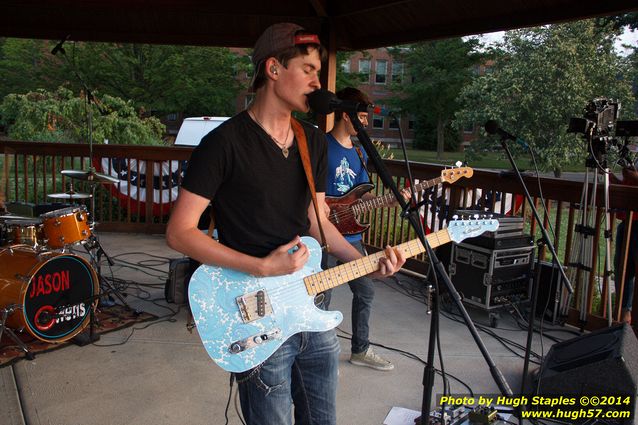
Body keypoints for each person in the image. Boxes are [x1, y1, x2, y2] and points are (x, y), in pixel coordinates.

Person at [165, 23, 405, 425]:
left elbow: (318, 222)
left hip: (311, 304)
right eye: (308, 69)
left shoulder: (312, 142)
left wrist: (366, 259)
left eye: (318, 71)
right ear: (274, 69)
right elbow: (180, 232)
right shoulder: (222, 144)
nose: (316, 80)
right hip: (255, 312)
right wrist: (262, 266)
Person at [322, 87, 394, 371]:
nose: (364, 123)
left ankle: (360, 350)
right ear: (344, 115)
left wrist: (384, 201)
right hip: (325, 234)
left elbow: (360, 191)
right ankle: (319, 349)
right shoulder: (321, 145)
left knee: (365, 291)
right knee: (321, 296)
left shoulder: (360, 153)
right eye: (360, 117)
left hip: (352, 236)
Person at [611, 163, 638, 324]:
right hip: (627, 221)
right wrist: (612, 178)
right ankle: (621, 320)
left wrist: (635, 177)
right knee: (623, 272)